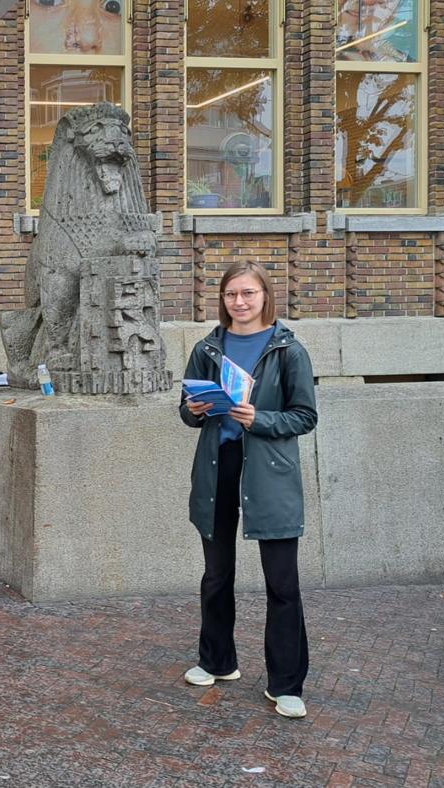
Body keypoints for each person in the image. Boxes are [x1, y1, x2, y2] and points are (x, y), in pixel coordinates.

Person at [178, 261, 317, 719]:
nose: (239, 302)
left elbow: (304, 416)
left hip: (269, 471)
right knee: (216, 576)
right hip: (218, 470)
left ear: (265, 297)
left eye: (248, 293)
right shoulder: (207, 347)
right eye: (231, 294)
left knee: (282, 583)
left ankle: (286, 684)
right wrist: (196, 409)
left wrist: (261, 419)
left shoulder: (288, 350)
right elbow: (186, 411)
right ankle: (216, 661)